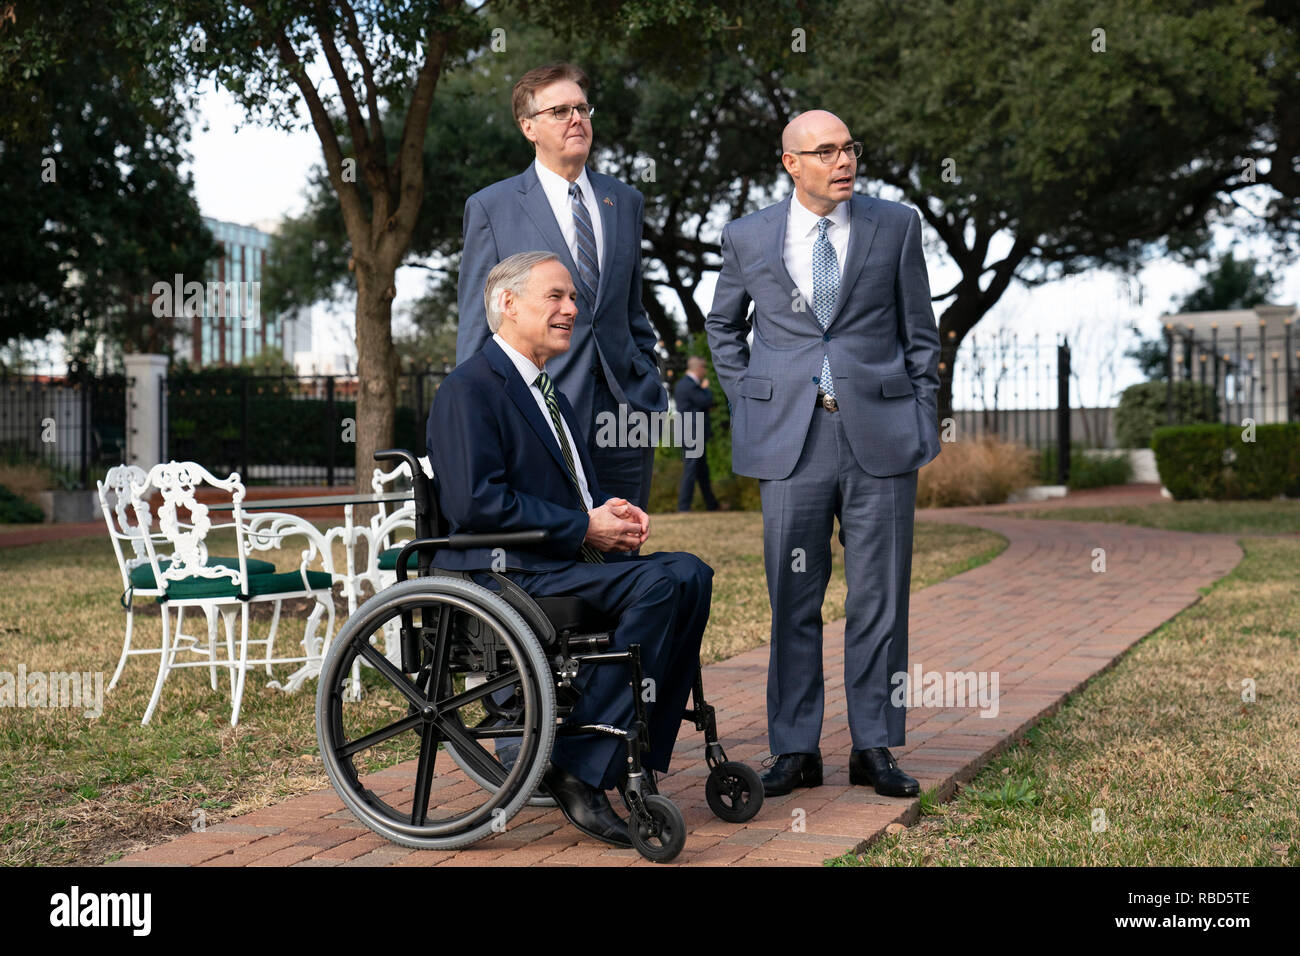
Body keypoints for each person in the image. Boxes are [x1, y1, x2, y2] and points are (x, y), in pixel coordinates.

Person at [427, 251, 712, 847]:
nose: (571, 309)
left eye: (574, 298)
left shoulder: (545, 390)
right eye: (555, 296)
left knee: (691, 575)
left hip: (558, 562)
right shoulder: (470, 389)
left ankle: (632, 760)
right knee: (665, 580)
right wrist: (584, 527)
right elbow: (476, 505)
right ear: (507, 303)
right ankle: (582, 767)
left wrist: (612, 510)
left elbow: (572, 488)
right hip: (508, 575)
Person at [704, 109, 941, 799]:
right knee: (792, 597)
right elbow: (723, 325)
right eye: (827, 151)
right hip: (791, 440)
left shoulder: (895, 224)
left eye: (850, 148)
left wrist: (921, 413)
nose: (844, 162)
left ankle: (874, 746)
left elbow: (919, 331)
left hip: (883, 435)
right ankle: (796, 748)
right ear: (791, 163)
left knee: (880, 598)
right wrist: (752, 392)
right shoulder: (747, 236)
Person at [455, 63, 666, 512]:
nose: (577, 119)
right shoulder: (492, 207)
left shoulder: (624, 201)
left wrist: (650, 377)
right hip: (536, 411)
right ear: (528, 126)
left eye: (583, 108)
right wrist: (476, 417)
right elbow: (478, 325)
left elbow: (632, 309)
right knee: (552, 549)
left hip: (626, 412)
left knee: (625, 546)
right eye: (560, 111)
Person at [673, 356, 720, 512]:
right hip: (693, 433)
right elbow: (705, 401)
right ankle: (684, 507)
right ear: (698, 368)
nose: (705, 371)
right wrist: (706, 389)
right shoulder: (690, 386)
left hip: (692, 433)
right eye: (704, 368)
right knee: (691, 470)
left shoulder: (683, 385)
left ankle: (712, 505)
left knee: (701, 471)